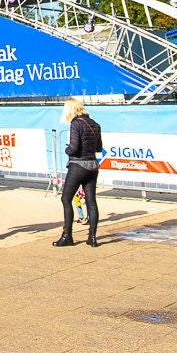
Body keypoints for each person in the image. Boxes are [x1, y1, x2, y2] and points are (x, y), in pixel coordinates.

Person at [53, 98, 101, 247]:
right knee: (91, 202)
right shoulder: (95, 124)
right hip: (92, 165)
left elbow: (73, 148)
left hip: (78, 165)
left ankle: (67, 235)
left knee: (66, 199)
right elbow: (99, 147)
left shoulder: (75, 123)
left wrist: (67, 149)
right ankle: (92, 237)